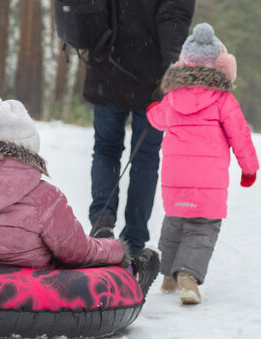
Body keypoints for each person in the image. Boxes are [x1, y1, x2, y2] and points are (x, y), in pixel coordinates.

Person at [0, 87, 134, 274]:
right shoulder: (47, 198)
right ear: (30, 148)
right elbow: (76, 252)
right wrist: (116, 249)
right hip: (31, 293)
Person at [146, 23, 259, 305]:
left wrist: (151, 111)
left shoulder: (172, 96)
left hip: (176, 178)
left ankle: (168, 276)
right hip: (208, 181)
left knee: (174, 221)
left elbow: (157, 119)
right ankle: (188, 275)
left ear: (184, 60)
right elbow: (240, 135)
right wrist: (249, 168)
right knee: (203, 227)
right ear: (221, 64)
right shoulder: (223, 99)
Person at [83, 0, 196, 258]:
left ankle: (102, 220)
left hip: (107, 66)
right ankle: (133, 240)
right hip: (152, 78)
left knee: (106, 149)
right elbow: (173, 17)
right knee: (144, 158)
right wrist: (173, 66)